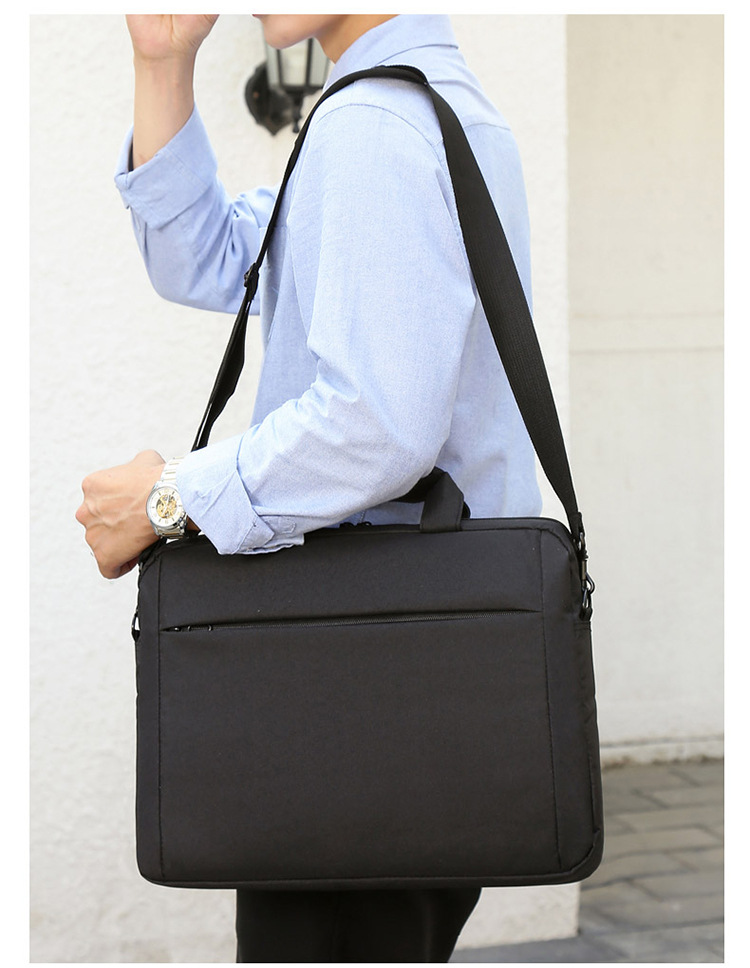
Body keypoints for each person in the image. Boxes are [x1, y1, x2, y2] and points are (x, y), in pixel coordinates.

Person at [76, 13, 542, 963]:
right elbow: (211, 258)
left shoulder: (378, 124)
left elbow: (378, 424)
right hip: (416, 672)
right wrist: (164, 61)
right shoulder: (403, 108)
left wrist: (167, 500)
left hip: (363, 685)